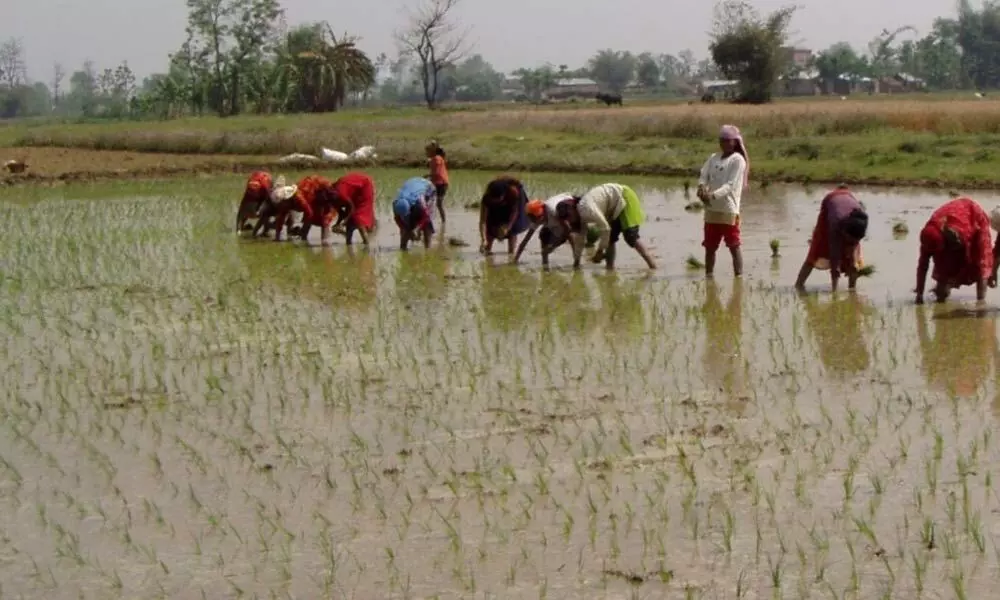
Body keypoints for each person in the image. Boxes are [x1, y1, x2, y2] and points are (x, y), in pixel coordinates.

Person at [915, 197, 1000, 303]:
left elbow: (965, 259)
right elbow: (923, 265)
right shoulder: (928, 236)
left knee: (981, 260)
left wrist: (992, 272)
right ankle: (941, 292)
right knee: (943, 273)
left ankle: (981, 301)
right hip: (947, 235)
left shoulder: (957, 235)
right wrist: (919, 293)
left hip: (973, 217)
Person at [794, 185, 869, 292]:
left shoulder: (860, 223)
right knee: (816, 251)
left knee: (853, 261)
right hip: (830, 203)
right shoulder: (836, 223)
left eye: (854, 240)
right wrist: (835, 293)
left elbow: (853, 248)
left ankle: (852, 289)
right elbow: (835, 257)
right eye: (849, 238)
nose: (850, 242)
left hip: (848, 199)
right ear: (844, 231)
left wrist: (852, 263)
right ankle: (798, 286)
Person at [697, 124, 749, 277]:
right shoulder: (714, 158)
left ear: (735, 142)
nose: (724, 143)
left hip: (728, 209)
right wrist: (701, 186)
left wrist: (712, 195)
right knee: (710, 247)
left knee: (734, 245)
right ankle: (709, 276)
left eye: (727, 140)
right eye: (721, 140)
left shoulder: (738, 160)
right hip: (711, 210)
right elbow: (703, 173)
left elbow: (730, 185)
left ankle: (738, 276)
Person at [577, 182, 657, 270]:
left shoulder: (587, 209)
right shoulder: (582, 210)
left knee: (631, 237)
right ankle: (610, 269)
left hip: (624, 197)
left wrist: (599, 252)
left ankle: (653, 267)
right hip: (614, 206)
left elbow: (605, 229)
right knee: (610, 238)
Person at [514, 193, 584, 268]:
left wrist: (553, 246)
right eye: (531, 219)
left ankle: (577, 260)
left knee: (572, 236)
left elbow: (568, 231)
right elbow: (525, 240)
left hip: (571, 209)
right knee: (544, 234)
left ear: (540, 215)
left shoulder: (554, 211)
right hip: (558, 221)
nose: (535, 222)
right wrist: (515, 260)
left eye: (535, 219)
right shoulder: (536, 219)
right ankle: (545, 264)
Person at [270, 175, 342, 244]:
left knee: (325, 218)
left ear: (286, 200)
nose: (280, 206)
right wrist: (277, 237)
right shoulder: (285, 203)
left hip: (323, 190)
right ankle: (304, 238)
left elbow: (309, 213)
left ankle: (325, 242)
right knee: (310, 219)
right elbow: (281, 218)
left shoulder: (299, 198)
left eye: (280, 204)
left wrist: (302, 231)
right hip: (312, 194)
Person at [478, 176, 531, 255]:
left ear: (503, 195)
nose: (496, 201)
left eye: (498, 199)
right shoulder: (487, 198)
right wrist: (483, 239)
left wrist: (507, 227)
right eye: (494, 200)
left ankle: (511, 253)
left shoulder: (513, 193)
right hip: (501, 203)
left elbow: (514, 213)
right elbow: (483, 221)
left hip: (514, 206)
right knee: (490, 226)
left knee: (513, 228)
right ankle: (487, 250)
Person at [329, 171, 377, 246]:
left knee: (358, 217)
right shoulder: (331, 200)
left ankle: (367, 244)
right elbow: (342, 214)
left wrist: (342, 223)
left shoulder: (340, 194)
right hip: (353, 191)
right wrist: (337, 224)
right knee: (350, 223)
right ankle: (349, 245)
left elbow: (352, 208)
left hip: (364, 185)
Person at [393, 176, 437, 250]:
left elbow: (425, 217)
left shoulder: (420, 202)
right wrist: (403, 228)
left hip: (428, 187)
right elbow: (397, 219)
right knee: (405, 228)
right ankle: (403, 247)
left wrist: (417, 228)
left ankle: (428, 247)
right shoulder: (395, 204)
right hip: (411, 185)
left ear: (410, 208)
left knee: (427, 223)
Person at [426, 141, 449, 224]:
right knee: (429, 201)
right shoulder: (435, 159)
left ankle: (443, 222)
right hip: (438, 183)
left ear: (432, 151)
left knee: (438, 204)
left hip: (441, 183)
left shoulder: (437, 159)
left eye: (427, 151)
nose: (426, 153)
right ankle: (431, 220)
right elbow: (434, 173)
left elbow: (437, 173)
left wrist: (428, 178)